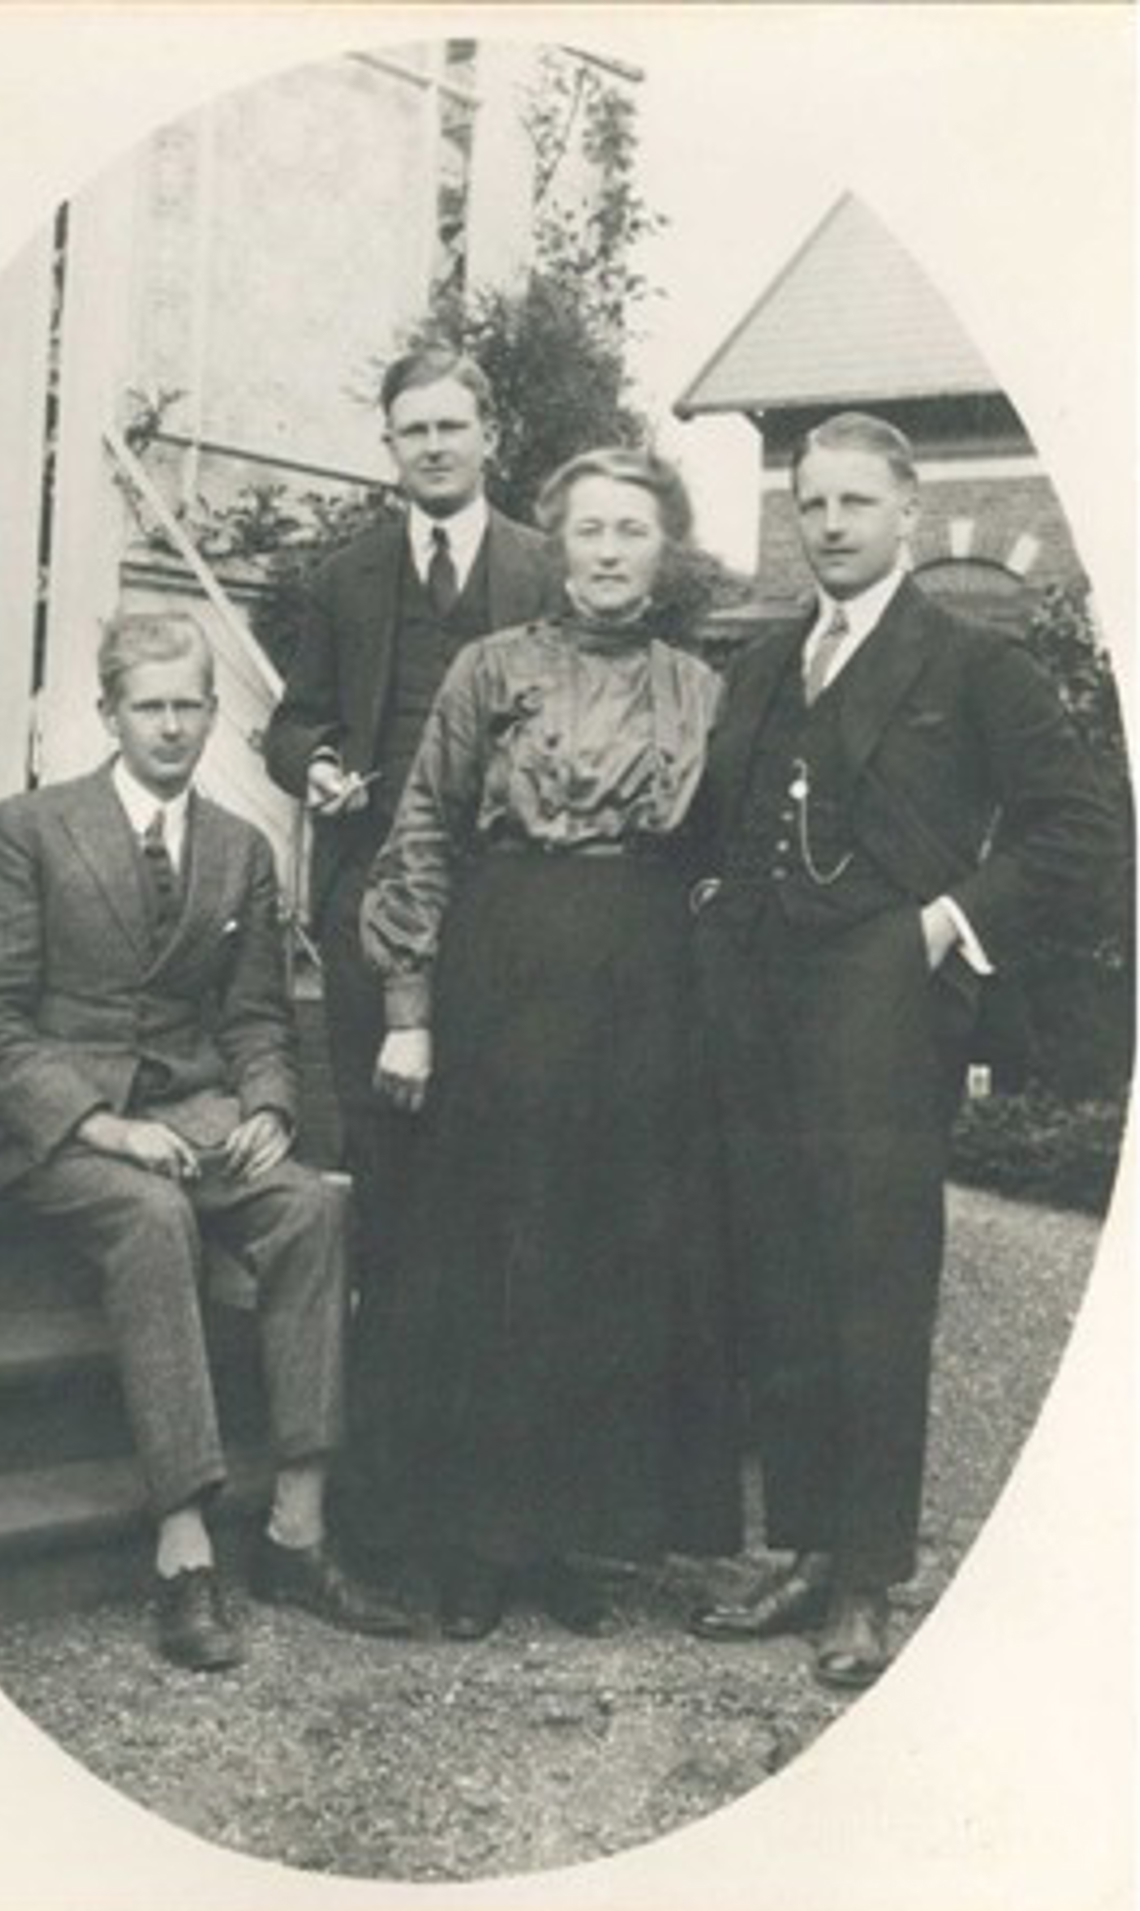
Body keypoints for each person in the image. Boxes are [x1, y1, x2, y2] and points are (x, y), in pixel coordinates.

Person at [688, 412, 1116, 1689]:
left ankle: (868, 1579)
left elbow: (1082, 830)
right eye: (811, 503)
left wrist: (945, 923)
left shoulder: (970, 664)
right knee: (779, 1273)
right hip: (758, 1009)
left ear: (906, 514)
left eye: (854, 504)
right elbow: (724, 823)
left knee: (872, 1285)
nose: (828, 525)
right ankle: (810, 1545)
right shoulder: (764, 663)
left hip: (884, 1009)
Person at [0, 612, 411, 1671]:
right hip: (61, 1123)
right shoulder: (30, 828)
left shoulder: (240, 848)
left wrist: (265, 1107)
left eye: (187, 704)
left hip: (196, 1112)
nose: (168, 725)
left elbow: (253, 1016)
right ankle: (184, 1540)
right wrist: (99, 1122)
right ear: (108, 713)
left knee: (313, 1204)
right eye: (147, 705)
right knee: (151, 1215)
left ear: (212, 713)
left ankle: (298, 1527)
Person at [360, 447, 743, 1639]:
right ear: (557, 543)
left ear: (664, 550)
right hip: (506, 965)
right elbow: (421, 828)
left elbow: (726, 863)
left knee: (608, 1254)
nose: (612, 551)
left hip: (644, 987)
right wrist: (410, 1012)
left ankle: (578, 1536)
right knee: (494, 1248)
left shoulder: (704, 689)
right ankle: (475, 1543)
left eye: (634, 530)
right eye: (590, 530)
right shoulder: (491, 668)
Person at [262, 343, 554, 1554]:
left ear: (488, 433)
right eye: (410, 431)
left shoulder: (546, 563)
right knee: (383, 1189)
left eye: (450, 426)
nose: (432, 446)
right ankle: (380, 1491)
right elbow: (293, 720)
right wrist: (316, 766)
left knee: (500, 1190)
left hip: (508, 911)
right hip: (373, 902)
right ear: (389, 448)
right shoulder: (346, 576)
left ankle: (494, 1491)